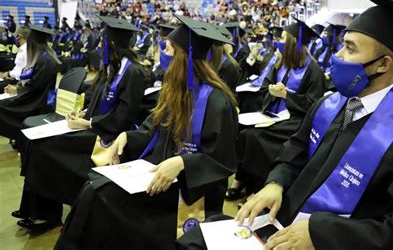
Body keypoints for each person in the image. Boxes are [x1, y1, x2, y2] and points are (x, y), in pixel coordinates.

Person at [177, 0, 393, 250]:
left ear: (383, 65)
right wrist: (276, 182)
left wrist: (323, 234)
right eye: (341, 45)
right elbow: (297, 149)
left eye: (349, 48)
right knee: (195, 241)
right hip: (281, 225)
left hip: (329, 243)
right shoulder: (330, 105)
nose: (337, 56)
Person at [54, 15, 239, 249]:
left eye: (168, 49)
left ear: (184, 57)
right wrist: (126, 136)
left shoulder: (217, 101)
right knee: (93, 186)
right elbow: (153, 130)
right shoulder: (174, 90)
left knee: (99, 197)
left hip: (187, 190)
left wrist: (183, 163)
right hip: (156, 174)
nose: (163, 53)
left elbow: (223, 162)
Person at [13, 16, 146, 232]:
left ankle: (47, 214)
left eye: (103, 42)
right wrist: (81, 112)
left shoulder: (133, 72)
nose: (99, 46)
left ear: (112, 44)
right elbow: (95, 97)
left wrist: (87, 123)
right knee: (35, 142)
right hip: (93, 127)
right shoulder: (110, 67)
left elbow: (124, 117)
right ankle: (38, 209)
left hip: (107, 137)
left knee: (44, 148)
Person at [226, 17, 326, 199]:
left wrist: (287, 95)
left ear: (293, 42)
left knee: (257, 138)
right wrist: (271, 91)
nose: (278, 41)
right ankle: (242, 180)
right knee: (244, 132)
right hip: (272, 114)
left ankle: (259, 187)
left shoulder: (314, 71)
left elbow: (314, 105)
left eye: (282, 39)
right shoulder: (281, 65)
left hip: (295, 121)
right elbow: (265, 87)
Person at [0, 26, 60, 142]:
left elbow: (36, 88)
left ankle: (21, 137)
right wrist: (18, 88)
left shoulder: (46, 60)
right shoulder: (41, 56)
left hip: (36, 102)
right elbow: (33, 82)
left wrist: (17, 91)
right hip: (33, 96)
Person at [0, 26, 29, 91]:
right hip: (13, 78)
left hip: (18, 82)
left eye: (15, 35)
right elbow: (18, 68)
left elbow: (25, 73)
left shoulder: (26, 51)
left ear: (18, 36)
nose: (13, 37)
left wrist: (9, 74)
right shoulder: (22, 49)